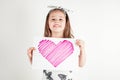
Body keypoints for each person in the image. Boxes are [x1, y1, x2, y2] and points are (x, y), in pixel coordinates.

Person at [27, 7, 86, 80]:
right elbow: (36, 64)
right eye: (53, 19)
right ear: (48, 23)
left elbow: (81, 64)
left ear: (66, 23)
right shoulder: (43, 44)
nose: (57, 21)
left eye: (60, 19)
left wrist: (82, 48)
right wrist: (30, 56)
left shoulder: (71, 44)